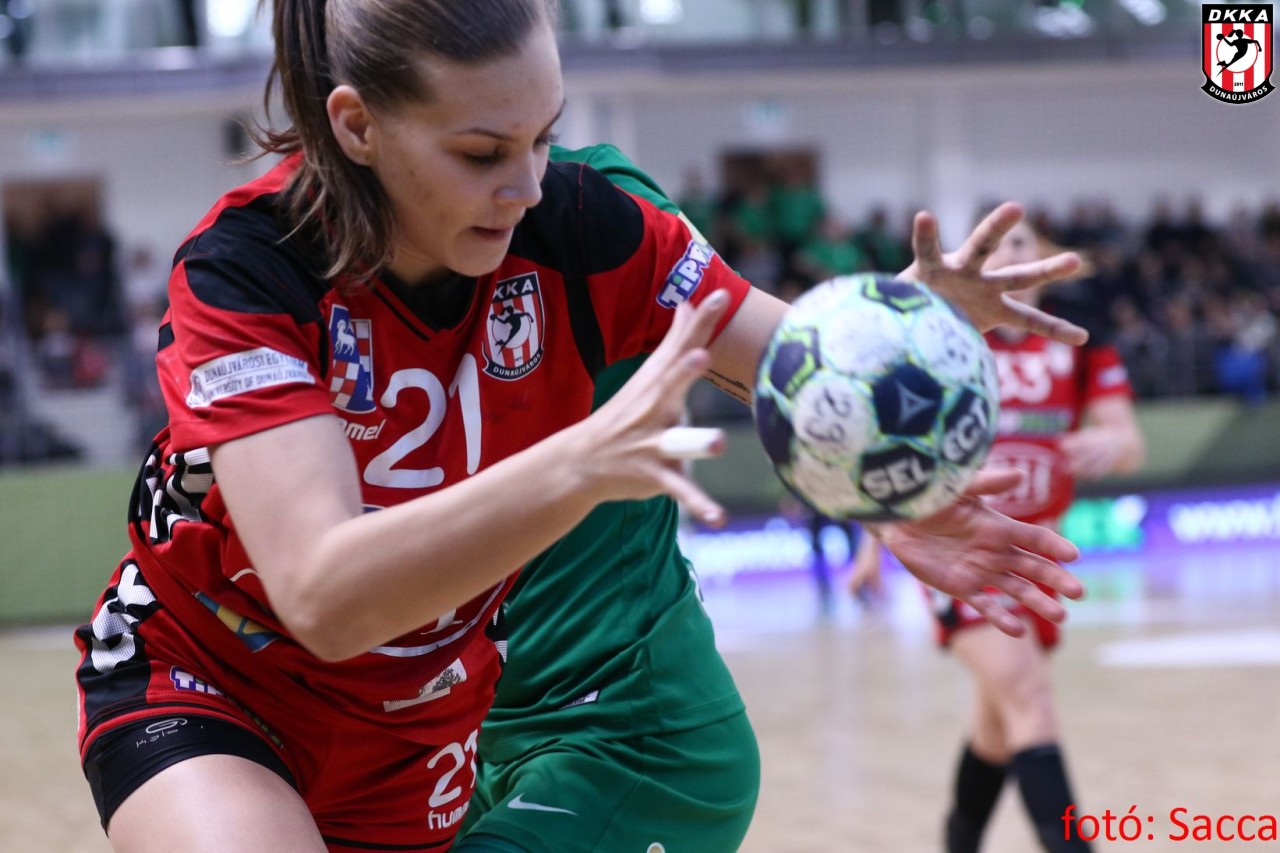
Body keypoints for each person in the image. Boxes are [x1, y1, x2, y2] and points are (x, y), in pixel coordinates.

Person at [73, 2, 1087, 851]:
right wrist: (583, 463)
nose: (525, 185)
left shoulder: (582, 223)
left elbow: (791, 361)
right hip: (213, 676)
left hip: (416, 727)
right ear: (357, 125)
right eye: (482, 152)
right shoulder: (247, 269)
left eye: (543, 137)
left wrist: (890, 388)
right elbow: (325, 595)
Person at [849, 218, 1145, 853]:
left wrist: (1109, 442)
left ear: (1039, 260)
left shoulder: (1081, 342)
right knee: (1030, 701)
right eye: (998, 244)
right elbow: (896, 453)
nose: (1011, 250)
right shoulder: (943, 342)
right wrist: (870, 547)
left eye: (1022, 242)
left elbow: (1129, 442)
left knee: (996, 728)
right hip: (962, 550)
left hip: (1034, 556)